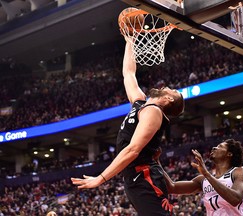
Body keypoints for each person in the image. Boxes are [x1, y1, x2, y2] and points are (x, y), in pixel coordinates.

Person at [71, 37, 185, 215]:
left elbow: (133, 150)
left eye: (173, 91)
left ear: (169, 99)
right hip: (135, 177)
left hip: (145, 176)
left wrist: (101, 179)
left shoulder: (154, 111)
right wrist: (130, 40)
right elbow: (129, 73)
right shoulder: (140, 103)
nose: (169, 87)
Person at [159, 139, 243, 216]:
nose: (214, 148)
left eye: (220, 146)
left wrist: (207, 174)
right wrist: (156, 162)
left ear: (229, 154)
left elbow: (235, 199)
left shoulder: (240, 171)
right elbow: (172, 187)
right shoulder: (203, 180)